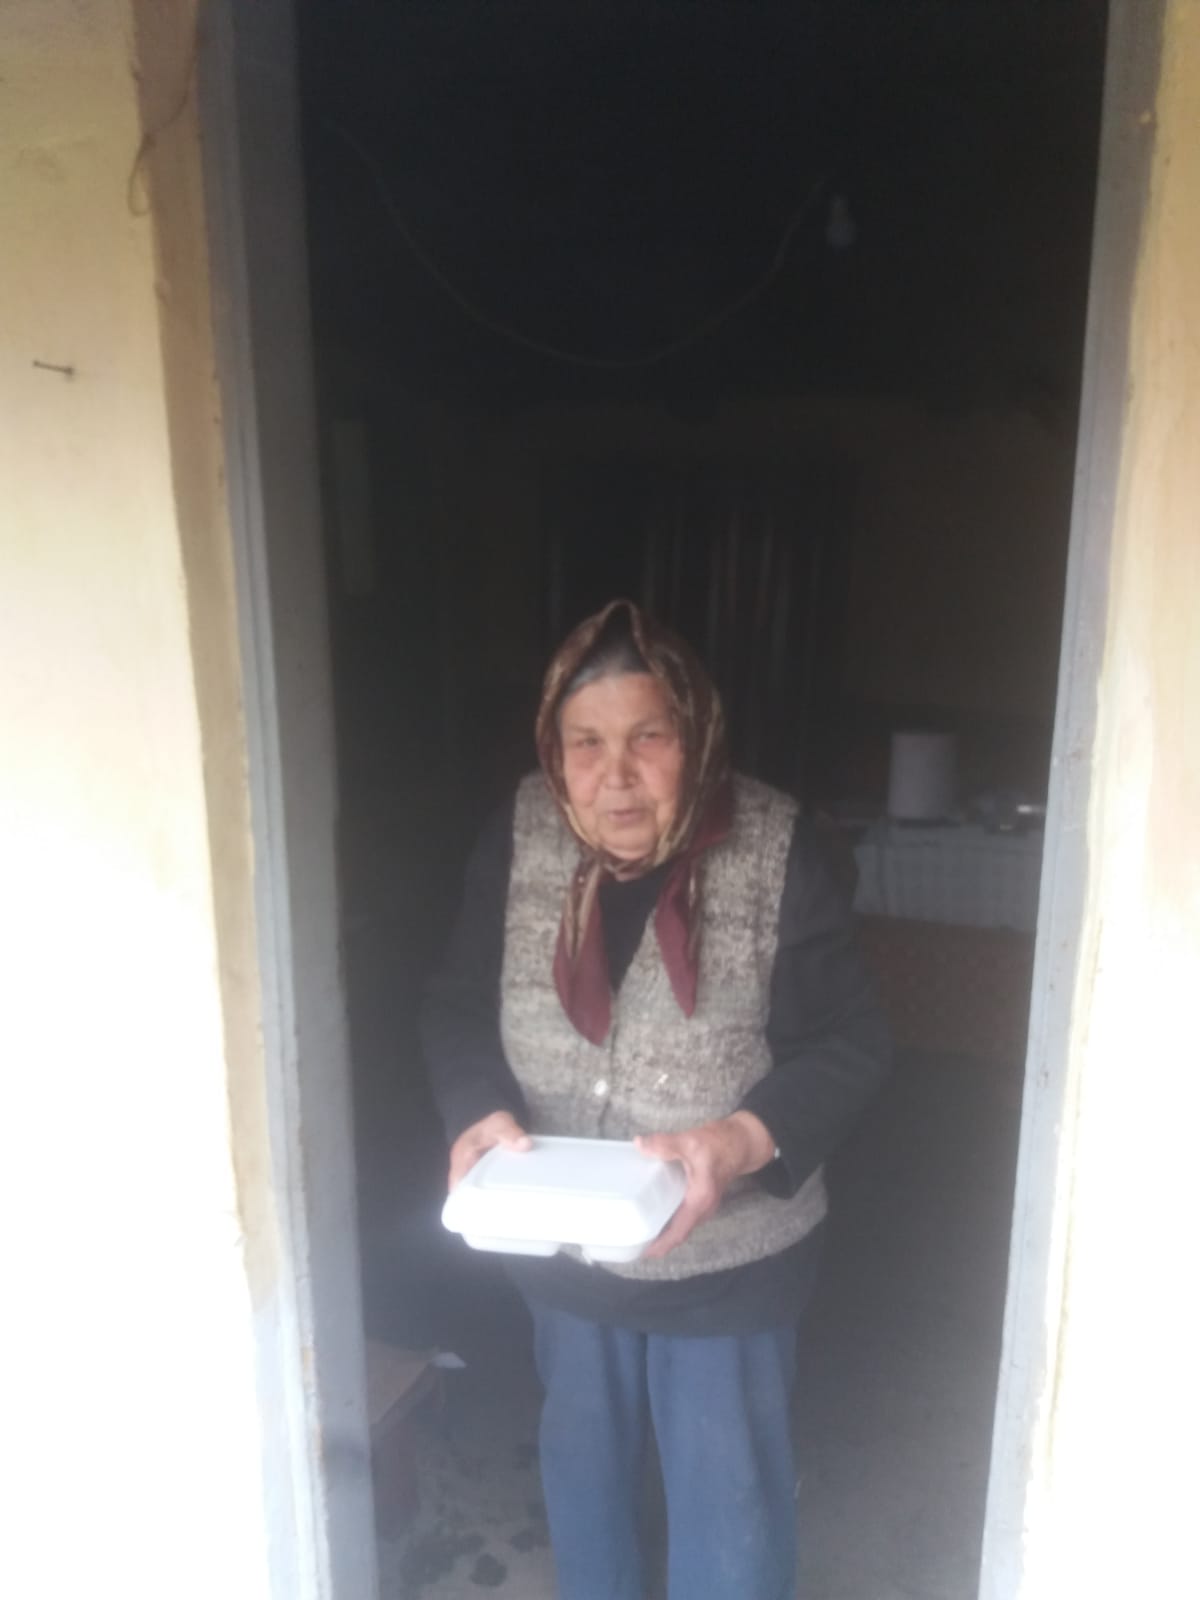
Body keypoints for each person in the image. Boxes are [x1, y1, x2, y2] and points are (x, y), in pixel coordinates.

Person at [422, 599, 889, 1600]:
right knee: (585, 1484)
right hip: (564, 1245)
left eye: (649, 737)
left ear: (698, 734)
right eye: (585, 742)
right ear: (555, 750)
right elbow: (456, 1002)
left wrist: (740, 1139)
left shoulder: (776, 846)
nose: (616, 774)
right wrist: (476, 1108)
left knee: (728, 1506)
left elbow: (852, 1041)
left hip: (730, 1263)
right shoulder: (520, 835)